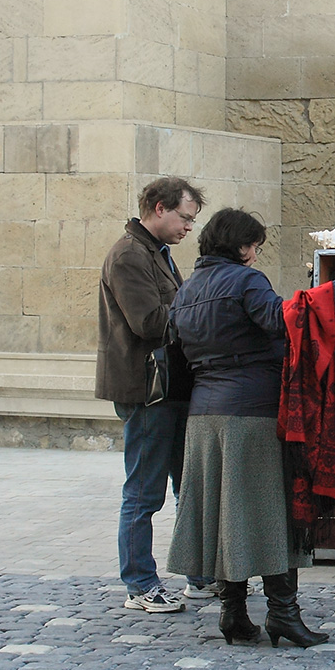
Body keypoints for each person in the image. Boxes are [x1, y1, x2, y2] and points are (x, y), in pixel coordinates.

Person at [165, 208, 335, 646]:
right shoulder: (245, 281)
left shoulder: (188, 289)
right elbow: (286, 320)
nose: (256, 253)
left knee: (224, 517)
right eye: (254, 245)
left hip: (203, 418)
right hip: (251, 413)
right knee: (274, 512)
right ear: (241, 245)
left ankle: (232, 613)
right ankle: (282, 614)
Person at [96, 176, 214, 614]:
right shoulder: (129, 254)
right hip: (147, 390)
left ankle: (199, 577)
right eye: (184, 217)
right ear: (159, 208)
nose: (188, 227)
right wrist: (202, 310)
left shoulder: (157, 252)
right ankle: (140, 584)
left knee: (189, 486)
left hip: (172, 387)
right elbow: (149, 322)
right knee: (144, 493)